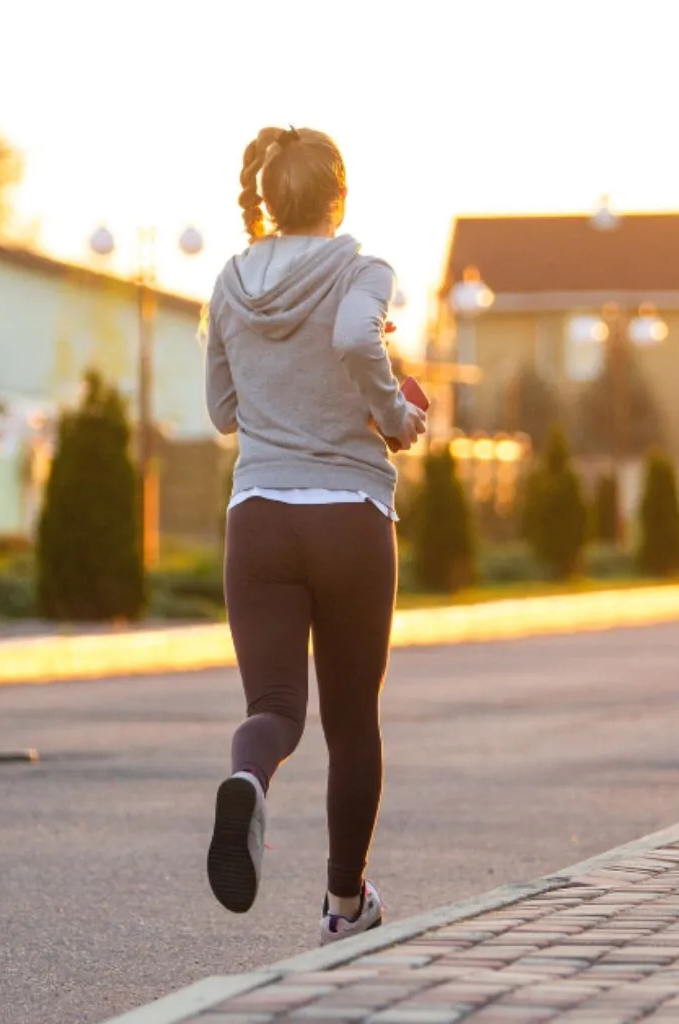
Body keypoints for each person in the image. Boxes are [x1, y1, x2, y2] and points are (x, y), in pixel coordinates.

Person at [202, 125, 427, 944]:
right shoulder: (363, 269)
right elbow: (351, 337)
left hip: (258, 516)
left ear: (266, 200)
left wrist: (276, 389)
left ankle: (249, 779)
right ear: (340, 195)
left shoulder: (230, 280)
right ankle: (344, 907)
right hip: (348, 516)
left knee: (273, 708)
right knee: (352, 720)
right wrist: (394, 413)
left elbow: (223, 412)